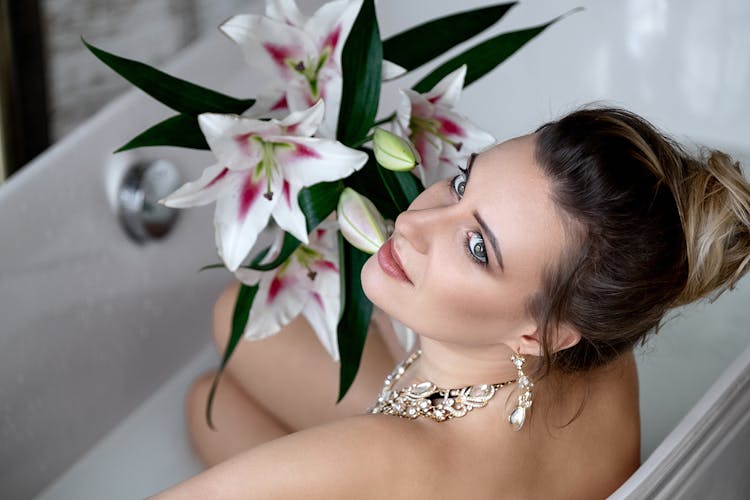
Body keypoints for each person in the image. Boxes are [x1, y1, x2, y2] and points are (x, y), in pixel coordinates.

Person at [154, 107, 750, 498]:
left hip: (425, 468)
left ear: (539, 335)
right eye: (463, 182)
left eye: (475, 246)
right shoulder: (600, 344)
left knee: (213, 389)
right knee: (216, 375)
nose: (416, 222)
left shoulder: (393, 455)